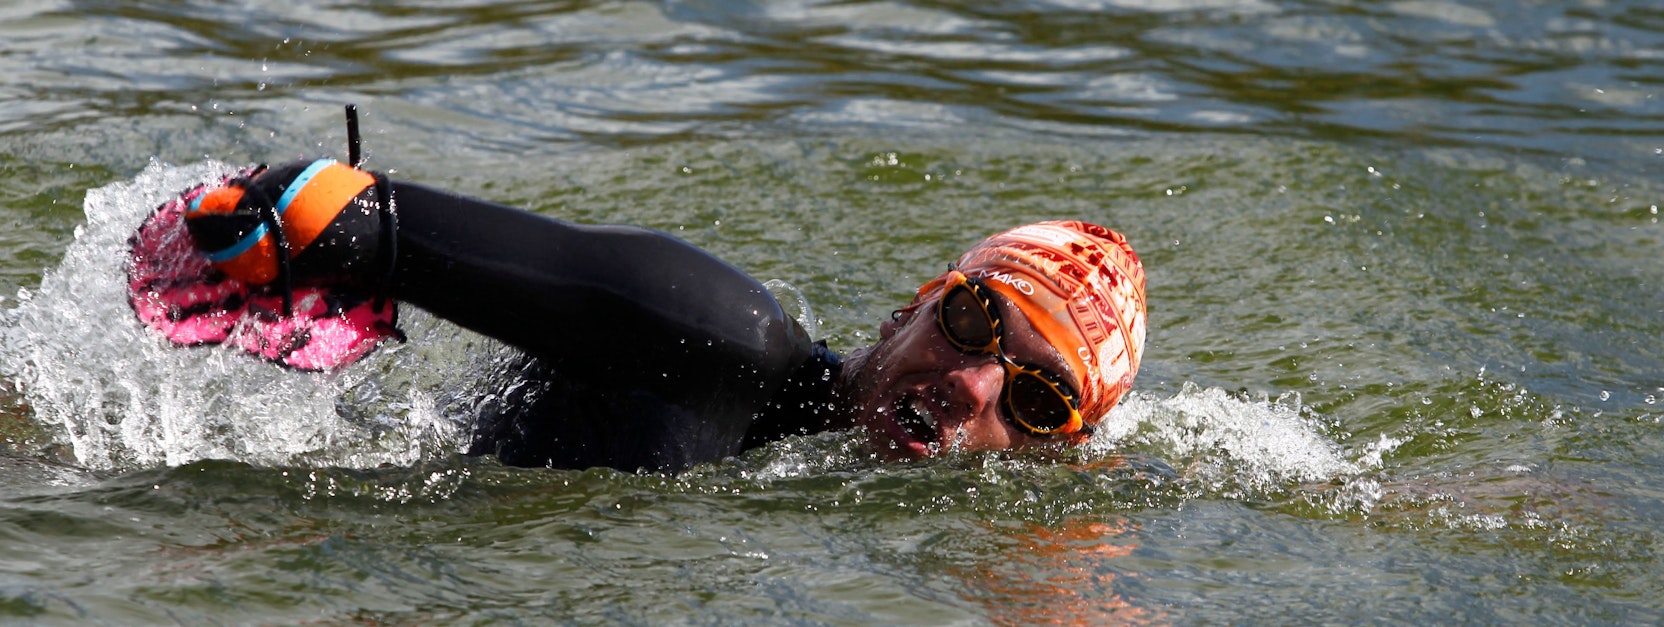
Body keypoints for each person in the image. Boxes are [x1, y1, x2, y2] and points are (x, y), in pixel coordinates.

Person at [127, 153, 1147, 473]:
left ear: (1051, 448)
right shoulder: (712, 340)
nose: (970, 383)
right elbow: (328, 208)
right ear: (905, 314)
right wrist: (302, 226)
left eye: (1039, 398)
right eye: (972, 325)